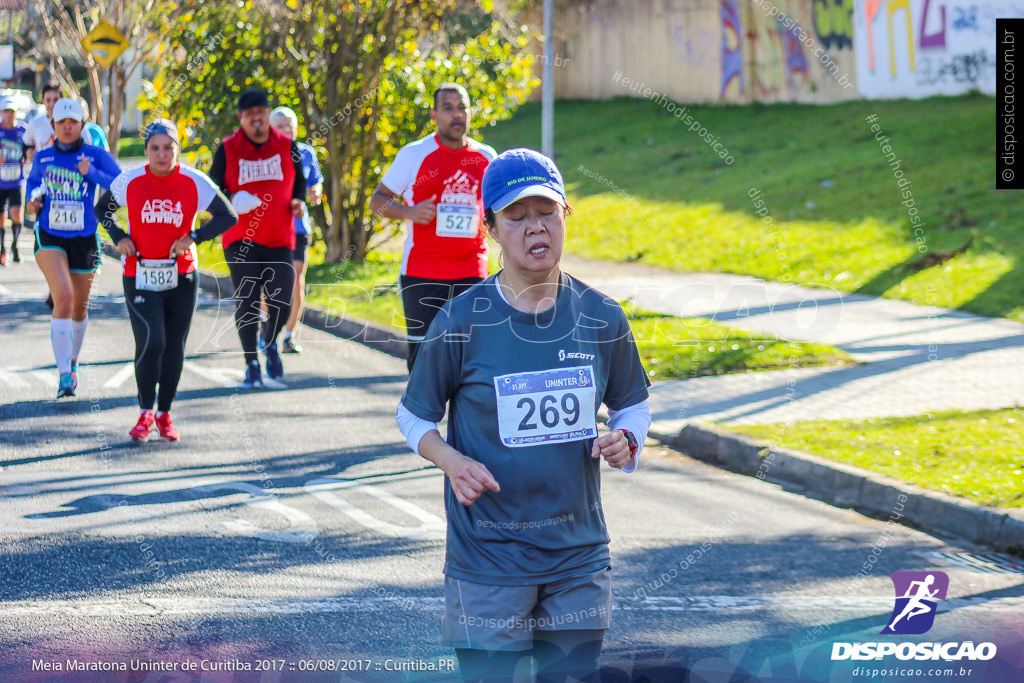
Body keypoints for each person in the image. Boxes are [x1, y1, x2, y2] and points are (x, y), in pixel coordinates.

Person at [396, 149, 652, 682]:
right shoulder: (461, 319)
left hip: (577, 558)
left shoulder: (601, 316)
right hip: (487, 562)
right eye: (516, 216)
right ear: (489, 227)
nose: (535, 227)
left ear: (566, 217)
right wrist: (451, 461)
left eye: (546, 212)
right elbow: (414, 416)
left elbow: (632, 402)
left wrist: (626, 437)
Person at [97, 119, 238, 441]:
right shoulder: (130, 180)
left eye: (168, 147)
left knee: (175, 346)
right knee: (152, 341)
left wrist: (194, 236)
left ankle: (165, 413)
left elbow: (228, 215)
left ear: (177, 148)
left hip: (182, 275)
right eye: (155, 148)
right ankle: (145, 411)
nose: (162, 154)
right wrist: (119, 236)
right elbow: (102, 209)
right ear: (146, 151)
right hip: (140, 273)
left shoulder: (193, 180)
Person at [369, 83, 496, 371]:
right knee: (424, 362)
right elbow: (377, 201)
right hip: (422, 273)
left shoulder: (486, 157)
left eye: (462, 107)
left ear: (470, 112)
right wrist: (409, 211)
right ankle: (422, 415)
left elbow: (498, 207)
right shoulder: (415, 154)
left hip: (471, 272)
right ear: (434, 115)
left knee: (471, 360)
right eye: (448, 108)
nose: (456, 115)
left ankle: (464, 417)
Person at [208, 89, 306, 387]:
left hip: (279, 237)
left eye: (261, 113)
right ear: (241, 118)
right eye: (250, 115)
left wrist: (298, 201)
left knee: (282, 301)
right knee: (248, 300)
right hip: (241, 240)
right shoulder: (228, 149)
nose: (257, 120)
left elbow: (299, 182)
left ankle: (270, 340)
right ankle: (251, 360)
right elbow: (212, 190)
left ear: (267, 114)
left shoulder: (288, 146)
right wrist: (233, 198)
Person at [25, 98, 121, 398]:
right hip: (50, 234)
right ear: (53, 126)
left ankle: (74, 363)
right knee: (63, 297)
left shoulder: (94, 154)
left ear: (82, 124)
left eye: (73, 122)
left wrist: (90, 171)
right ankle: (64, 373)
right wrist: (33, 201)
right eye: (61, 122)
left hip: (85, 237)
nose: (67, 127)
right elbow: (33, 186)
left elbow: (121, 184)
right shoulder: (43, 158)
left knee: (79, 306)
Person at [269, 105, 323, 354]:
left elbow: (316, 183)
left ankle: (289, 335)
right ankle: (267, 327)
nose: (285, 129)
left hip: (299, 228)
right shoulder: (263, 155)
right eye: (280, 125)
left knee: (295, 280)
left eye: (289, 125)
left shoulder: (306, 152)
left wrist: (315, 193)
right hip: (269, 229)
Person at [0, 97, 26, 266]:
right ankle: (2, 249)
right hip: (1, 182)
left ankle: (15, 245)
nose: (9, 115)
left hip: (16, 180)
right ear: (2, 113)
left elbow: (31, 148)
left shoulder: (23, 131)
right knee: (1, 218)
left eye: (12, 111)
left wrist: (27, 156)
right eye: (6, 111)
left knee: (16, 214)